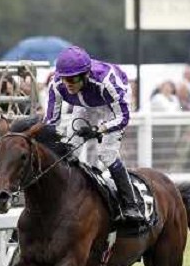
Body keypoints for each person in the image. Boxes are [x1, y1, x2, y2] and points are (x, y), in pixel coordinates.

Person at [43, 46, 143, 223]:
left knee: (106, 154)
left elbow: (123, 117)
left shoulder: (107, 82)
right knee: (69, 150)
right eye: (64, 78)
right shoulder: (57, 85)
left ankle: (131, 204)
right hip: (85, 104)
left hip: (112, 105)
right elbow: (51, 122)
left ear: (85, 75)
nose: (68, 84)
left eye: (72, 79)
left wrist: (99, 130)